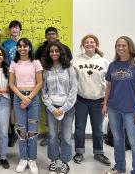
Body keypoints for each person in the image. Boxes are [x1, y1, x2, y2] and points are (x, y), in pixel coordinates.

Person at [103, 36, 135, 174]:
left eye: (123, 45)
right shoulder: (113, 65)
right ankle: (119, 167)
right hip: (113, 108)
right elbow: (108, 87)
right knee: (117, 140)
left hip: (132, 110)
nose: (121, 48)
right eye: (118, 46)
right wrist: (105, 104)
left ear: (130, 47)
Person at [71, 34, 111, 166]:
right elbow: (71, 81)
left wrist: (106, 101)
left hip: (98, 101)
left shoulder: (104, 61)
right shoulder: (75, 61)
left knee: (98, 129)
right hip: (81, 100)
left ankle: (99, 152)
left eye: (92, 42)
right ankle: (79, 151)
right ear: (83, 45)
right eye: (86, 42)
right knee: (79, 127)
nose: (89, 44)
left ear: (96, 44)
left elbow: (109, 83)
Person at [41, 41, 77, 174]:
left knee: (66, 137)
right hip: (51, 108)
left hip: (67, 108)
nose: (54, 53)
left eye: (57, 51)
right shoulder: (46, 69)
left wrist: (63, 108)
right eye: (51, 51)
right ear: (48, 53)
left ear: (61, 52)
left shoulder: (69, 68)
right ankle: (53, 161)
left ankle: (64, 163)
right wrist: (51, 107)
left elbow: (74, 90)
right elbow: (44, 91)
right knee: (52, 136)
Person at [9, 38, 42, 174]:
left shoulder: (36, 62)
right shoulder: (14, 63)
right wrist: (22, 97)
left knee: (33, 129)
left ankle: (32, 159)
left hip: (33, 99)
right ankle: (23, 158)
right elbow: (11, 83)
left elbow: (39, 83)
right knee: (21, 129)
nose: (22, 48)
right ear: (17, 48)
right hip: (18, 98)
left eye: (25, 46)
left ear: (29, 48)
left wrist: (28, 98)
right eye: (20, 46)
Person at [35, 26, 72, 147]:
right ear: (46, 36)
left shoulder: (65, 48)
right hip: (47, 83)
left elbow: (70, 65)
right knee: (48, 111)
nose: (51, 36)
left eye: (53, 34)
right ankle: (50, 135)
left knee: (65, 115)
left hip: (63, 87)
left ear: (57, 35)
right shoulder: (40, 49)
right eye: (49, 34)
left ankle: (62, 136)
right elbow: (36, 65)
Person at [2, 20, 22, 147]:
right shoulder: (6, 44)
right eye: (12, 28)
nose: (14, 30)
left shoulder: (25, 42)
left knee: (23, 104)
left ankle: (23, 131)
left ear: (20, 30)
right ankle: (12, 133)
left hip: (25, 78)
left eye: (16, 28)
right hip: (11, 76)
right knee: (11, 106)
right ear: (10, 31)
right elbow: (3, 60)